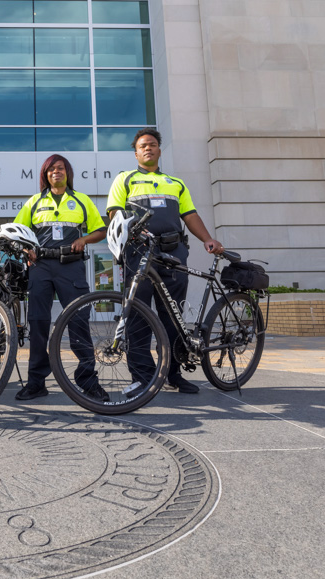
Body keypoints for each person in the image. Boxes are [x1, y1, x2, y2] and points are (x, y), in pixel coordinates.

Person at [107, 128, 224, 394]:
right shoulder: (125, 179)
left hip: (174, 253)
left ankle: (173, 374)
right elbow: (115, 213)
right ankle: (143, 378)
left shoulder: (176, 183)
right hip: (138, 253)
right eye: (142, 145)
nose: (148, 148)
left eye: (152, 144)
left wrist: (207, 238)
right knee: (137, 316)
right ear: (135, 152)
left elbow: (190, 215)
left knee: (173, 316)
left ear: (159, 150)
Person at [13, 154, 108, 402]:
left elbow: (100, 230)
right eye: (52, 169)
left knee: (78, 321)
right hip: (41, 266)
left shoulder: (81, 200)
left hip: (71, 267)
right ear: (45, 174)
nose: (57, 172)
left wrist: (83, 239)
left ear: (68, 173)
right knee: (38, 323)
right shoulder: (34, 202)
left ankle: (88, 381)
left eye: (61, 168)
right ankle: (36, 383)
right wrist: (26, 249)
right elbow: (19, 234)